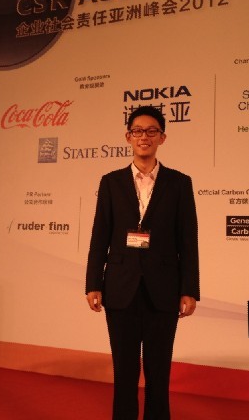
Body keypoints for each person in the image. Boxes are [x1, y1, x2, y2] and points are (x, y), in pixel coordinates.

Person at [85, 105, 200, 420]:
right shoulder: (111, 182)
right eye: (137, 131)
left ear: (162, 137)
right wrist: (93, 282)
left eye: (151, 131)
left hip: (163, 290)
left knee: (158, 372)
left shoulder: (179, 183)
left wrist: (189, 289)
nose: (144, 137)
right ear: (128, 137)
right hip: (120, 288)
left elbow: (188, 240)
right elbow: (100, 235)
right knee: (124, 371)